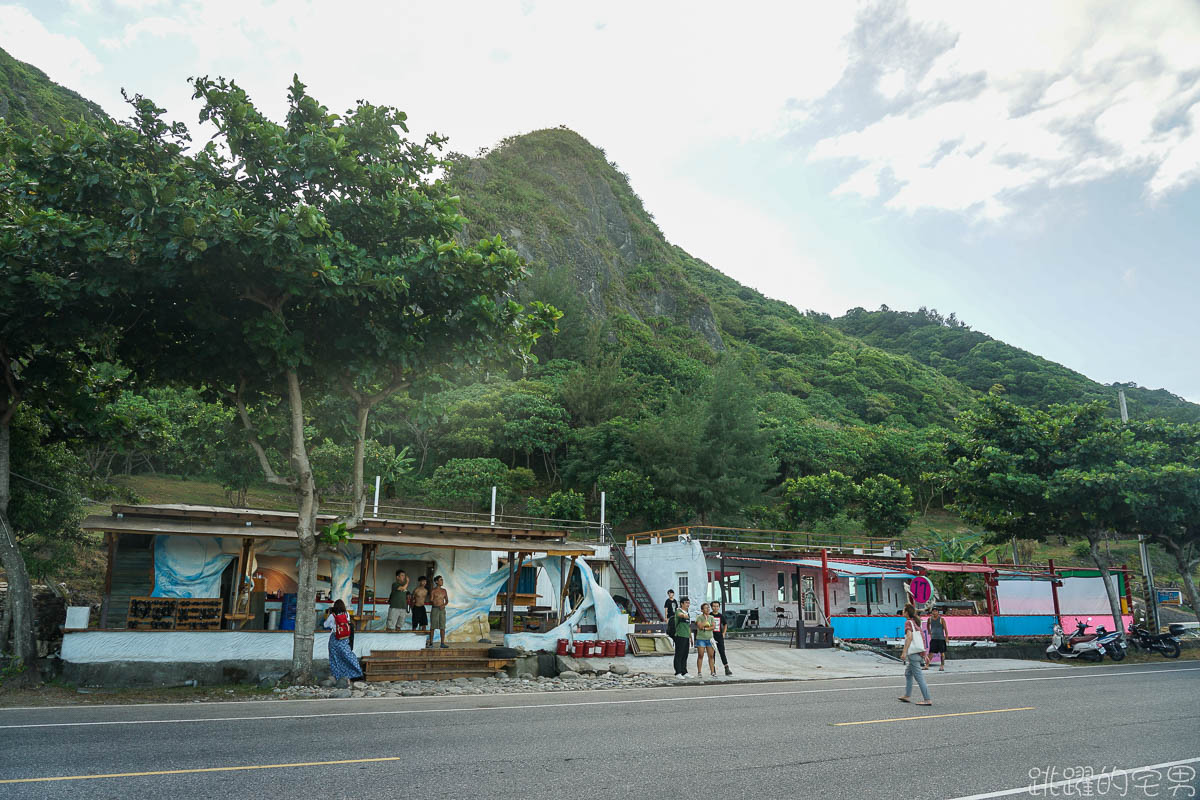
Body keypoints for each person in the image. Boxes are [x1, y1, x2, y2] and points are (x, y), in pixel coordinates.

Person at [898, 603, 932, 706]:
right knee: (908, 673)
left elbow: (910, 637)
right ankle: (907, 695)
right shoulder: (916, 623)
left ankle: (927, 699)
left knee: (919, 677)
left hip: (913, 654)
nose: (902, 612)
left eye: (904, 610)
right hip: (918, 653)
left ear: (907, 612)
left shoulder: (908, 623)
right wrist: (924, 654)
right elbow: (922, 639)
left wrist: (904, 652)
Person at [323, 599, 363, 684]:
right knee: (348, 655)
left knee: (334, 657)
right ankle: (356, 673)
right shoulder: (347, 614)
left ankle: (337, 676)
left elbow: (325, 625)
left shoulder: (332, 615)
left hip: (335, 638)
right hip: (344, 637)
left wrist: (330, 621)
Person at [710, 600, 732, 676]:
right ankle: (713, 669)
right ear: (711, 607)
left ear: (719, 607)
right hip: (711, 637)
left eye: (717, 606)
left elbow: (725, 624)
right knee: (712, 654)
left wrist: (723, 633)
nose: (715, 608)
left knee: (722, 652)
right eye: (714, 606)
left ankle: (726, 668)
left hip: (719, 636)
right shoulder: (709, 615)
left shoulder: (721, 616)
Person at [672, 597, 692, 679]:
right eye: (686, 603)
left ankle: (684, 671)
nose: (688, 604)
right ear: (682, 603)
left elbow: (688, 626)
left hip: (686, 636)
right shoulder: (678, 611)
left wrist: (690, 636)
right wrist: (684, 615)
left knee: (685, 654)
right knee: (679, 654)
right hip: (679, 635)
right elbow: (680, 615)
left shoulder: (687, 612)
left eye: (688, 603)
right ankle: (678, 672)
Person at [695, 602, 716, 677]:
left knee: (711, 655)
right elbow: (700, 626)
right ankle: (699, 672)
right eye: (706, 608)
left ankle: (712, 672)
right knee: (700, 655)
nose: (707, 609)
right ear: (702, 610)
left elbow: (713, 626)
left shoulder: (712, 617)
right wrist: (706, 621)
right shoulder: (699, 617)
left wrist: (705, 628)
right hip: (701, 638)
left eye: (708, 608)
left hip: (709, 638)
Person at [428, 575, 449, 649]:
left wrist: (443, 605)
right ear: (436, 581)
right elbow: (431, 600)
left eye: (442, 580)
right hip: (435, 609)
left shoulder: (444, 591)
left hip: (442, 609)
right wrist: (434, 601)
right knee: (433, 626)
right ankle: (431, 643)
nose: (442, 581)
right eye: (440, 580)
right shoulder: (433, 590)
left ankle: (442, 643)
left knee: (442, 626)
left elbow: (447, 601)